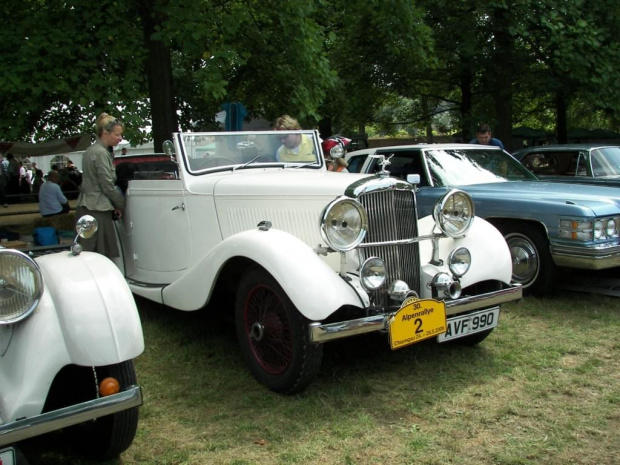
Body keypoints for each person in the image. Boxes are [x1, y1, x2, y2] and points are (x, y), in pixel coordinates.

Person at [76, 112, 126, 258]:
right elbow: (107, 185)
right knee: (99, 253)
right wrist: (121, 203)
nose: (120, 138)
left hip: (86, 207)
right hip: (97, 209)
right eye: (117, 135)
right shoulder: (101, 153)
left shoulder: (90, 151)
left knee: (86, 251)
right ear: (105, 133)